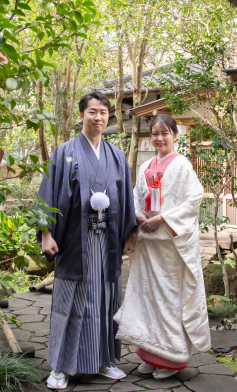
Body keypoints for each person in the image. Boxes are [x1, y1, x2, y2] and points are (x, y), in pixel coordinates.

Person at [37, 90, 138, 390]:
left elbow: (127, 200)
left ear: (109, 117)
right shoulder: (63, 152)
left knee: (105, 300)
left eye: (104, 112)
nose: (98, 117)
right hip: (73, 242)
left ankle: (104, 360)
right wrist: (46, 234)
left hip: (106, 243)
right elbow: (48, 195)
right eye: (92, 111)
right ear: (82, 115)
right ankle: (60, 366)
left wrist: (130, 234)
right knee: (70, 303)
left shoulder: (117, 157)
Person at [114, 114, 211, 379]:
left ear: (175, 136)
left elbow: (193, 200)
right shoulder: (146, 165)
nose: (159, 138)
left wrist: (163, 219)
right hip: (148, 246)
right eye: (155, 133)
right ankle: (150, 354)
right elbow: (135, 198)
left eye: (165, 133)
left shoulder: (183, 165)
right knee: (147, 300)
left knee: (168, 301)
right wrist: (137, 215)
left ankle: (171, 358)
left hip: (170, 246)